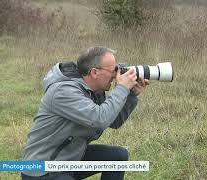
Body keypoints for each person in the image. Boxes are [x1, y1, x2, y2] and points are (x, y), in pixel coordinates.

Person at [21, 47, 149, 180]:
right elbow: (99, 119)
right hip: (43, 168)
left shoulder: (94, 91)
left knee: (118, 156)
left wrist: (131, 94)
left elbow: (113, 121)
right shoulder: (63, 91)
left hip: (70, 159)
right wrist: (122, 88)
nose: (115, 75)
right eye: (113, 70)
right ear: (94, 72)